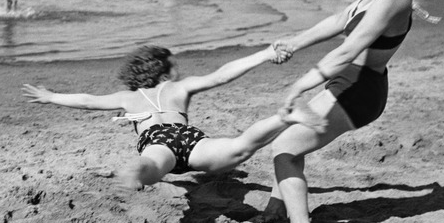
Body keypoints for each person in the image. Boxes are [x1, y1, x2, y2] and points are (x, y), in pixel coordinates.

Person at [260, 0, 444, 223]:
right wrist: (293, 42)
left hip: (359, 91)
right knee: (290, 137)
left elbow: (347, 50)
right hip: (350, 83)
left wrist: (299, 86)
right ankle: (276, 210)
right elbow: (341, 20)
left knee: (284, 147)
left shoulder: (394, 0)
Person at [22, 45, 324, 190]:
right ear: (164, 71)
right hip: (190, 137)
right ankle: (285, 116)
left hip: (159, 139)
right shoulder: (180, 87)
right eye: (174, 65)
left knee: (153, 166)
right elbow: (221, 76)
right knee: (240, 148)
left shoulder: (127, 98)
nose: (178, 69)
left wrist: (51, 97)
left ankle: (135, 172)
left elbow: (87, 101)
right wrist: (263, 54)